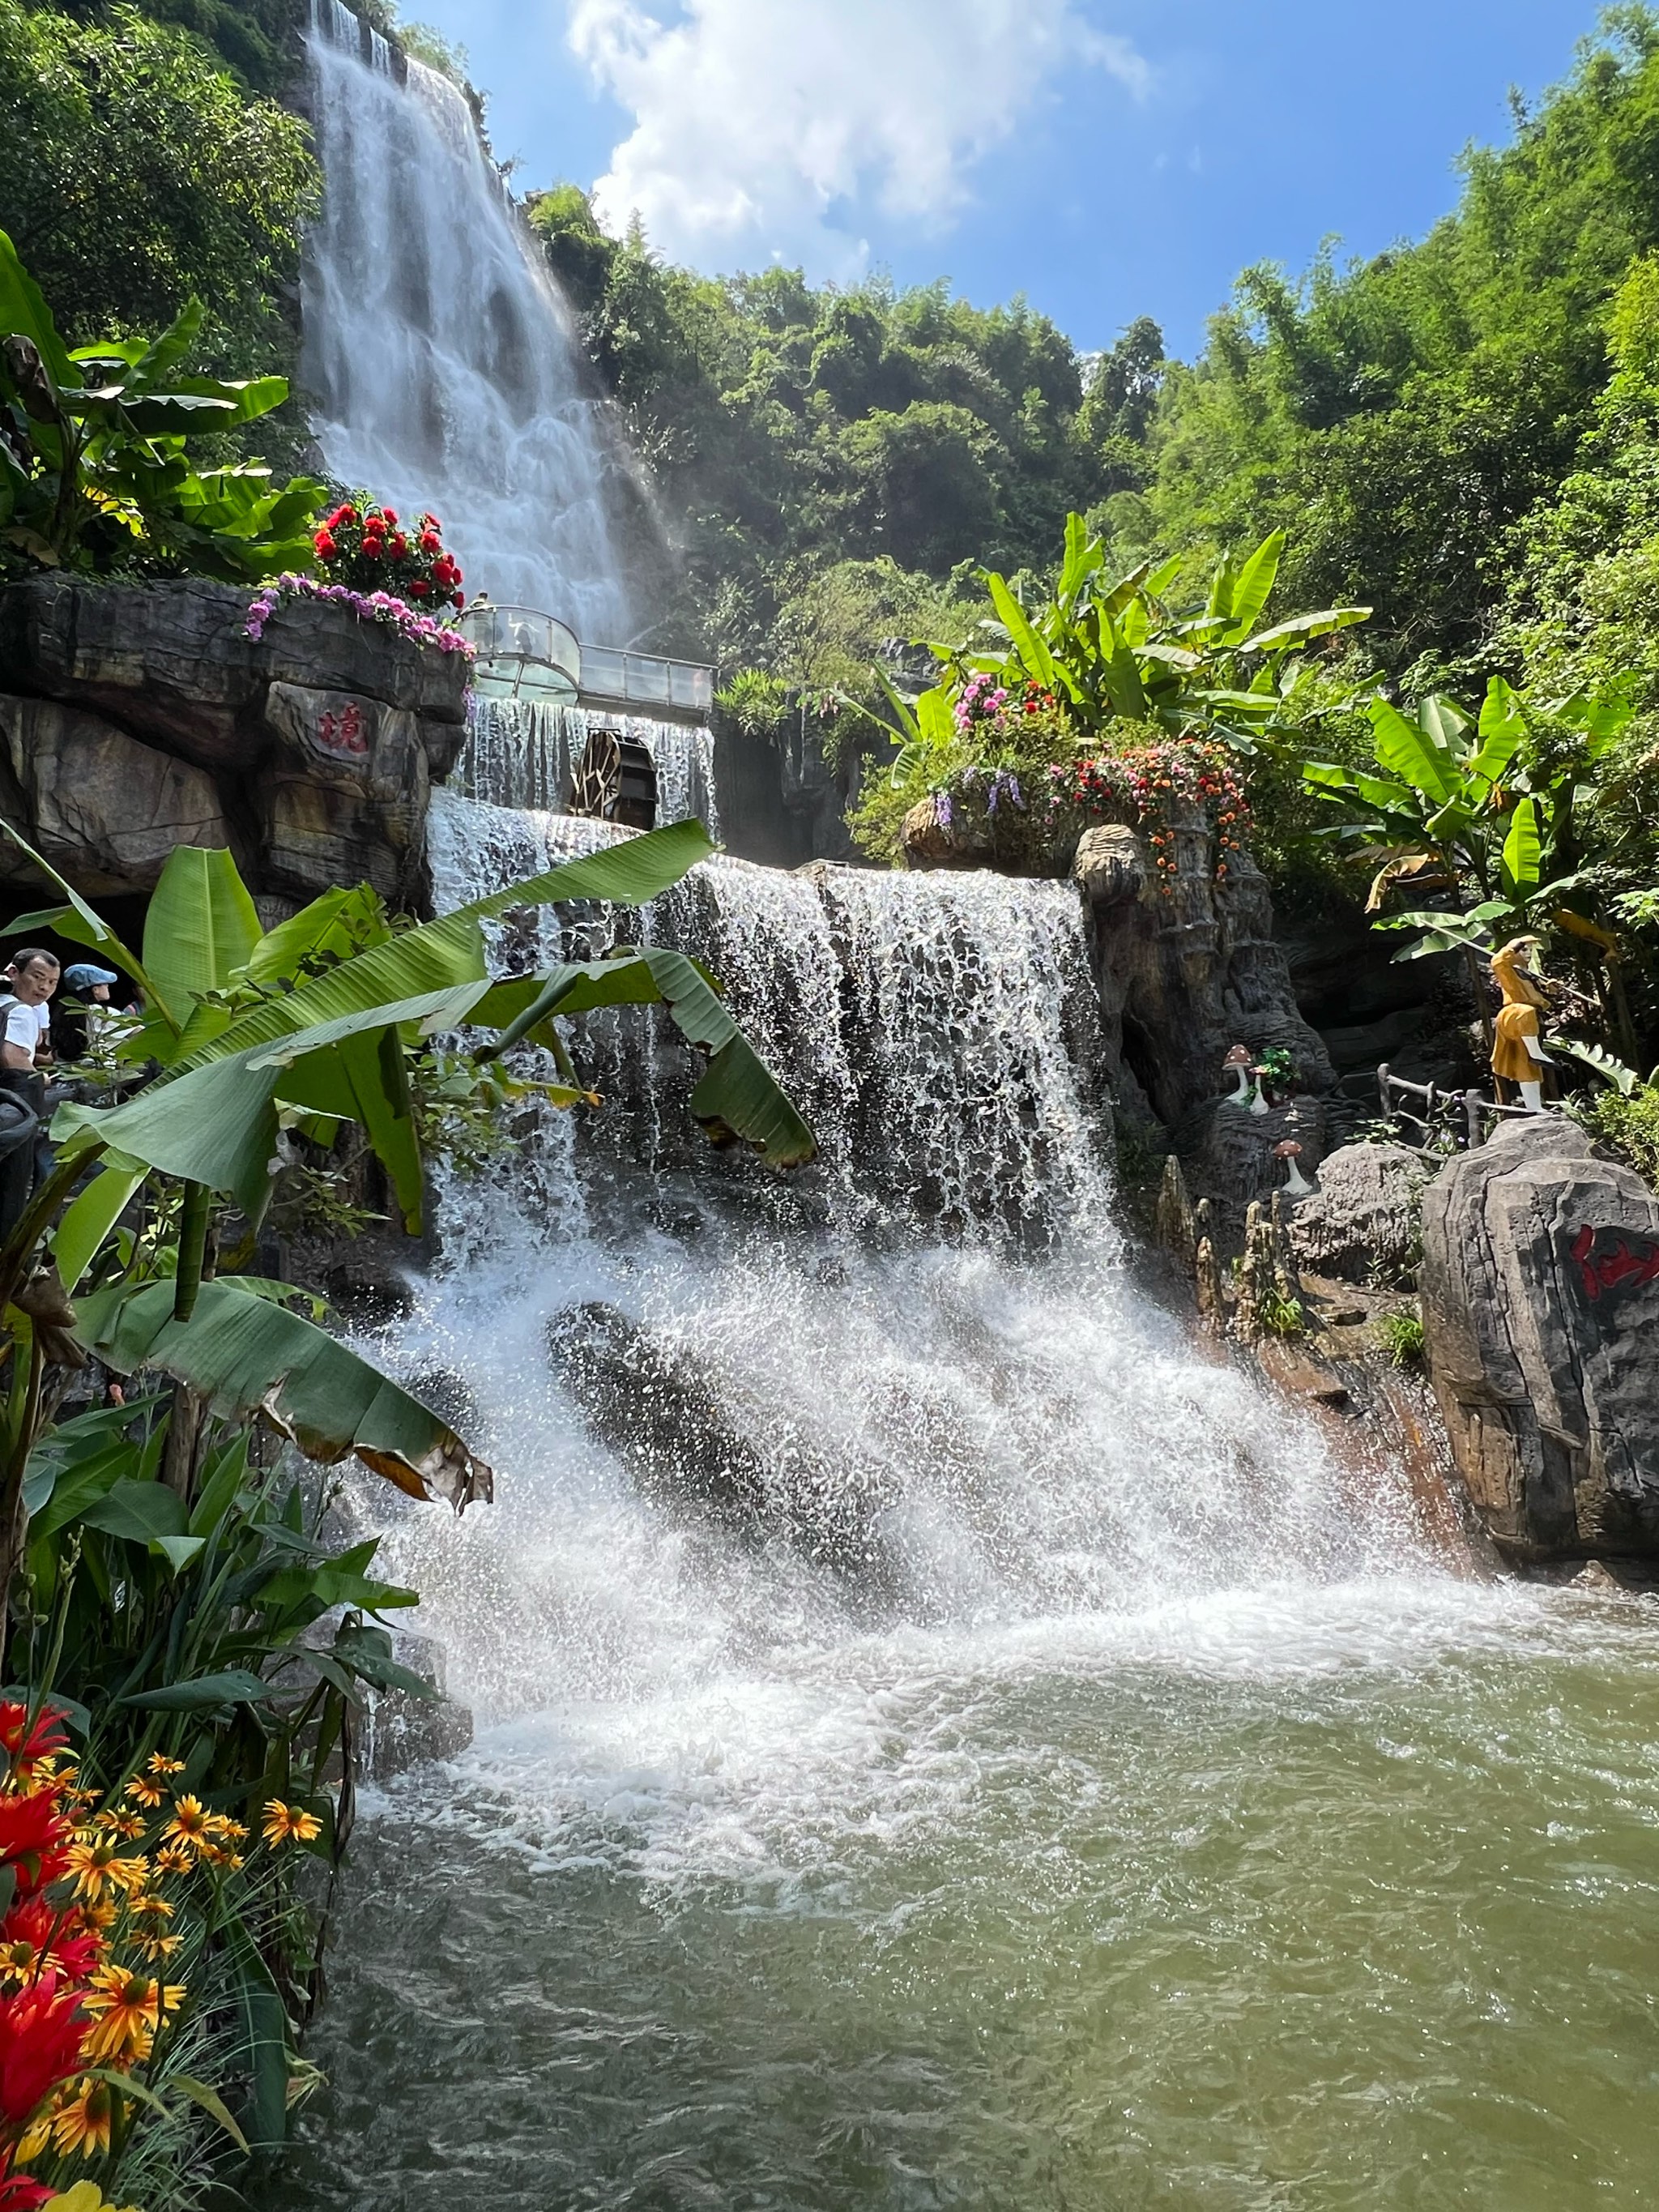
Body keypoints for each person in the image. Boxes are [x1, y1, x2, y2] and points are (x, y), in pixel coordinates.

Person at [0, 948, 58, 1238]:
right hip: (18, 1091)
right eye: (37, 977)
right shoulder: (20, 1010)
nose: (44, 987)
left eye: (51, 982)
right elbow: (12, 1056)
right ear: (14, 973)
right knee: (15, 1173)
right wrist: (39, 1075)